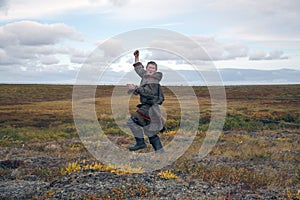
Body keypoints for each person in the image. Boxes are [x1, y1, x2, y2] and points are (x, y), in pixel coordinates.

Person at [127, 50, 165, 152]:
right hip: (149, 108)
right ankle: (161, 152)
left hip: (149, 107)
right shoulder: (145, 76)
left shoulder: (154, 80)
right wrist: (136, 57)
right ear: (147, 69)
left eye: (153, 68)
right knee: (149, 130)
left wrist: (135, 88)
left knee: (132, 121)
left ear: (156, 70)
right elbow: (139, 69)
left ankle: (140, 143)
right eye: (149, 67)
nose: (151, 69)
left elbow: (149, 93)